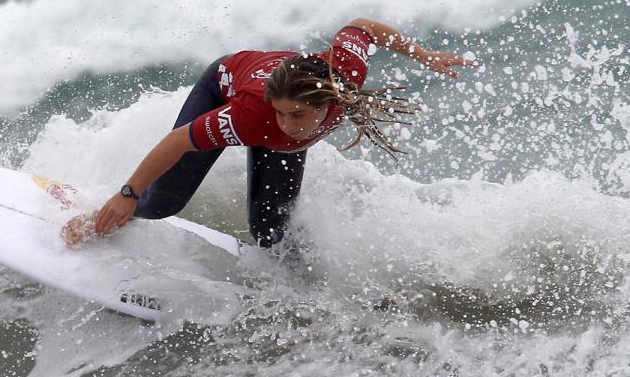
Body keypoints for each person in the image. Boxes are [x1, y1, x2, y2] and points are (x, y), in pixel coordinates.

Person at [62, 18, 474, 249]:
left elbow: (362, 27)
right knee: (161, 203)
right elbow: (176, 142)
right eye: (280, 114)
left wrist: (423, 54)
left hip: (279, 88)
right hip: (223, 84)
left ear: (326, 103)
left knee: (271, 234)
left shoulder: (345, 71)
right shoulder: (250, 116)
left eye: (295, 115)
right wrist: (127, 193)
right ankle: (93, 213)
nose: (285, 124)